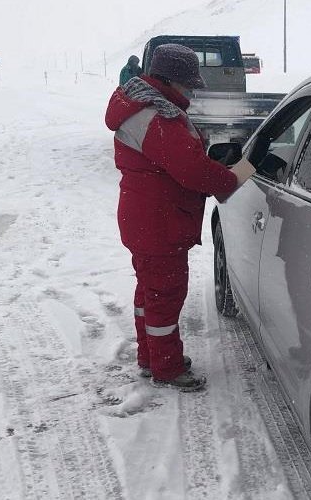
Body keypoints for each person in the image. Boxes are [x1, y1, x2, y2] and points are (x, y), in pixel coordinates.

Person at [105, 44, 256, 391]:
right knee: (164, 296)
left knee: (150, 294)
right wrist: (236, 175)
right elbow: (193, 172)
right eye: (189, 84)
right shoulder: (157, 117)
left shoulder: (141, 106)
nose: (191, 91)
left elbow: (179, 163)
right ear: (171, 80)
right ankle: (167, 368)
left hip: (145, 219)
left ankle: (152, 357)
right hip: (160, 224)